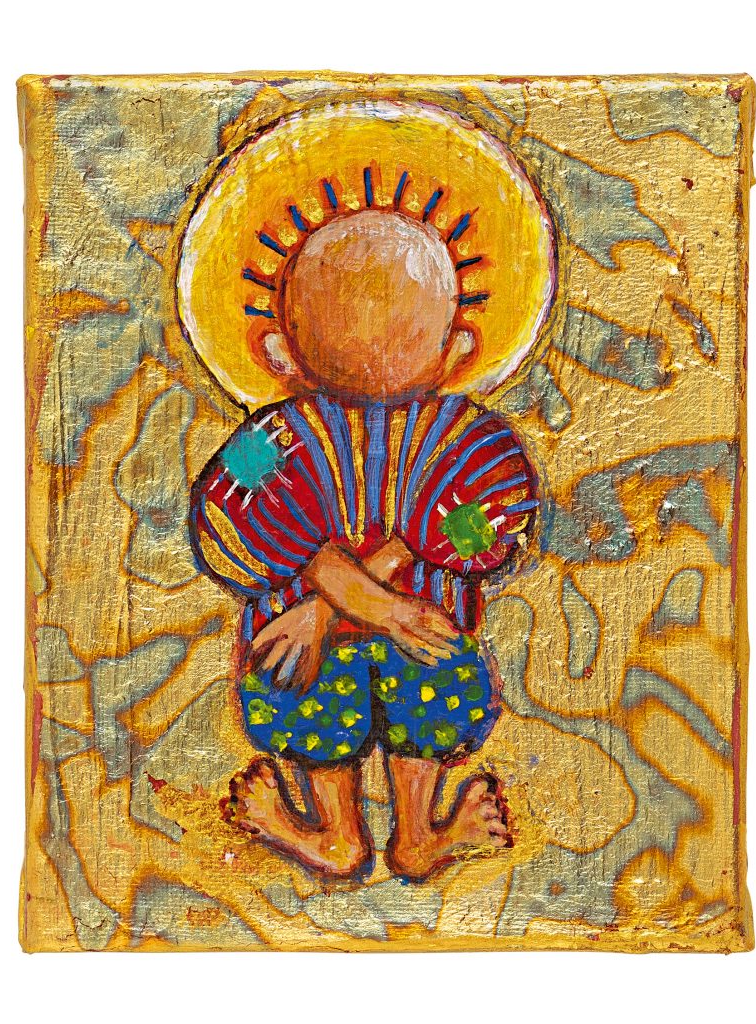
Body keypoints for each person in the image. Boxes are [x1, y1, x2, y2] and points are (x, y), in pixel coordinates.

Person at [189, 205, 540, 881]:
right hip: (305, 648)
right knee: (301, 684)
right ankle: (336, 834)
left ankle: (417, 834)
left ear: (458, 349)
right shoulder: (273, 437)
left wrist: (337, 605)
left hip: (410, 632)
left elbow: (485, 519)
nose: (371, 343)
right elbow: (231, 520)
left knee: (432, 676)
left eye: (399, 323)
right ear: (280, 352)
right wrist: (376, 604)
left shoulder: (468, 436)